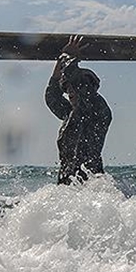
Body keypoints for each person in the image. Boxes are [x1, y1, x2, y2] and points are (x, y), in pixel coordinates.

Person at [45, 35, 112, 184]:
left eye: (79, 86)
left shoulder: (99, 109)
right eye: (68, 89)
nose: (72, 92)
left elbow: (74, 79)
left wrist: (68, 57)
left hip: (91, 182)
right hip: (67, 181)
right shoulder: (70, 112)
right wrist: (61, 60)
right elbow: (52, 96)